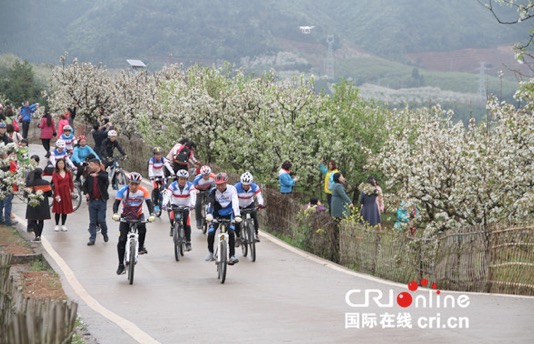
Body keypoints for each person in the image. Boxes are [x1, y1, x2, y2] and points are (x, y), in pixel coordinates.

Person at [112, 172, 155, 275]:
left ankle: (140, 247)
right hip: (125, 215)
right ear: (128, 183)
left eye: (136, 184)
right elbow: (116, 204)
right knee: (122, 240)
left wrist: (152, 214)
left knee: (143, 229)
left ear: (139, 183)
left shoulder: (143, 191)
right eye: (132, 184)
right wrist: (115, 214)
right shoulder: (122, 190)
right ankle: (120, 265)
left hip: (138, 214)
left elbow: (149, 204)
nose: (134, 186)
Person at [204, 172, 241, 265]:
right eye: (218, 185)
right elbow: (210, 203)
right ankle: (210, 252)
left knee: (232, 232)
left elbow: (235, 202)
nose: (220, 187)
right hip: (216, 215)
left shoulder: (232, 189)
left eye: (222, 184)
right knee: (211, 232)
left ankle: (232, 255)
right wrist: (209, 214)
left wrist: (237, 215)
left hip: (229, 214)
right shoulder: (213, 191)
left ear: (226, 183)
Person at [162, 169, 196, 250]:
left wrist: (192, 204)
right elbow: (167, 195)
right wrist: (164, 203)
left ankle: (188, 242)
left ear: (187, 179)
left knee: (187, 224)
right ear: (178, 179)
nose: (182, 181)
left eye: (184, 179)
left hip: (186, 206)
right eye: (181, 179)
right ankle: (172, 226)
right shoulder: (172, 185)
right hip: (175, 204)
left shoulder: (190, 186)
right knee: (171, 216)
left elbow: (193, 195)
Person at [82, 158, 110, 246]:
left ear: (97, 165)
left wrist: (97, 175)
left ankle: (104, 233)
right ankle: (92, 238)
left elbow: (105, 178)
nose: (89, 166)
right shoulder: (89, 175)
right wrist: (86, 193)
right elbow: (85, 186)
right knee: (92, 221)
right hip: (92, 201)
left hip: (101, 201)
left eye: (91, 165)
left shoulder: (103, 173)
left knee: (101, 220)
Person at [234, 171, 264, 243]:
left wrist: (260, 204)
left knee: (254, 218)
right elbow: (233, 199)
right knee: (237, 221)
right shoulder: (236, 187)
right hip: (239, 205)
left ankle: (256, 234)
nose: (246, 186)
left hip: (250, 203)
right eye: (244, 185)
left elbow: (259, 197)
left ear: (251, 183)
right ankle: (238, 237)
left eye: (248, 185)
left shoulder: (255, 187)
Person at [25, 168, 52, 242]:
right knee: (41, 220)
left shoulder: (29, 184)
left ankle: (36, 236)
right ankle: (39, 235)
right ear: (41, 174)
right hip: (43, 204)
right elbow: (50, 194)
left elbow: (25, 194)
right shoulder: (45, 183)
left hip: (32, 204)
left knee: (33, 220)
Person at [148, 146, 175, 212]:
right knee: (156, 189)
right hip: (153, 176)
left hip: (161, 175)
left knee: (164, 187)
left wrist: (172, 172)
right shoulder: (152, 160)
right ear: (154, 155)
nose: (158, 156)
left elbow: (168, 165)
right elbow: (150, 169)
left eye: (159, 154)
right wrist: (151, 176)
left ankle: (163, 199)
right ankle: (156, 204)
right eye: (157, 154)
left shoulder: (163, 159)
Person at [51, 159, 74, 232]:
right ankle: (57, 224)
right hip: (59, 192)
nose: (60, 165)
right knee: (58, 209)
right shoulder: (55, 173)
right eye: (59, 163)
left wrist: (72, 191)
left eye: (62, 163)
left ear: (64, 164)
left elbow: (71, 182)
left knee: (65, 209)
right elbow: (56, 185)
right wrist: (57, 194)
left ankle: (63, 224)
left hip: (66, 192)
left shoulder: (68, 172)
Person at [191, 165, 216, 229]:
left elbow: (218, 183)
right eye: (204, 175)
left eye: (207, 175)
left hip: (209, 189)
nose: (206, 177)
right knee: (198, 204)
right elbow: (192, 187)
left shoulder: (213, 176)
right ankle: (198, 220)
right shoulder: (198, 178)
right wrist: (196, 190)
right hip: (199, 190)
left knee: (212, 201)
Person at [0, 151, 19, 226]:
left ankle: (1, 219)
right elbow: (14, 173)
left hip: (2, 186)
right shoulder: (9, 163)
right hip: (7, 185)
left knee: (1, 203)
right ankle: (8, 220)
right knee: (7, 203)